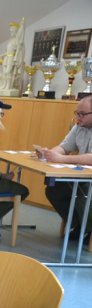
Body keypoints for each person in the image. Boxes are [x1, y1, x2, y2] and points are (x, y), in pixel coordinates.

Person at [39, 95, 92, 241]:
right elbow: (64, 147)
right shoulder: (78, 126)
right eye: (77, 113)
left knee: (84, 194)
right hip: (84, 176)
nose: (78, 117)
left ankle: (86, 229)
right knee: (54, 190)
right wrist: (49, 154)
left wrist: (62, 159)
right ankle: (80, 225)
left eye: (82, 114)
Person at [0, 19, 25, 92]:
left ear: (15, 31)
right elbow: (7, 51)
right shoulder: (10, 40)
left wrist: (16, 58)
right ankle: (4, 85)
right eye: (10, 31)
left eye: (12, 31)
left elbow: (18, 50)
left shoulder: (17, 41)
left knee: (8, 72)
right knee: (4, 73)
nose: (11, 32)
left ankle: (8, 86)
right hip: (6, 58)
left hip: (11, 58)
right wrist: (2, 55)